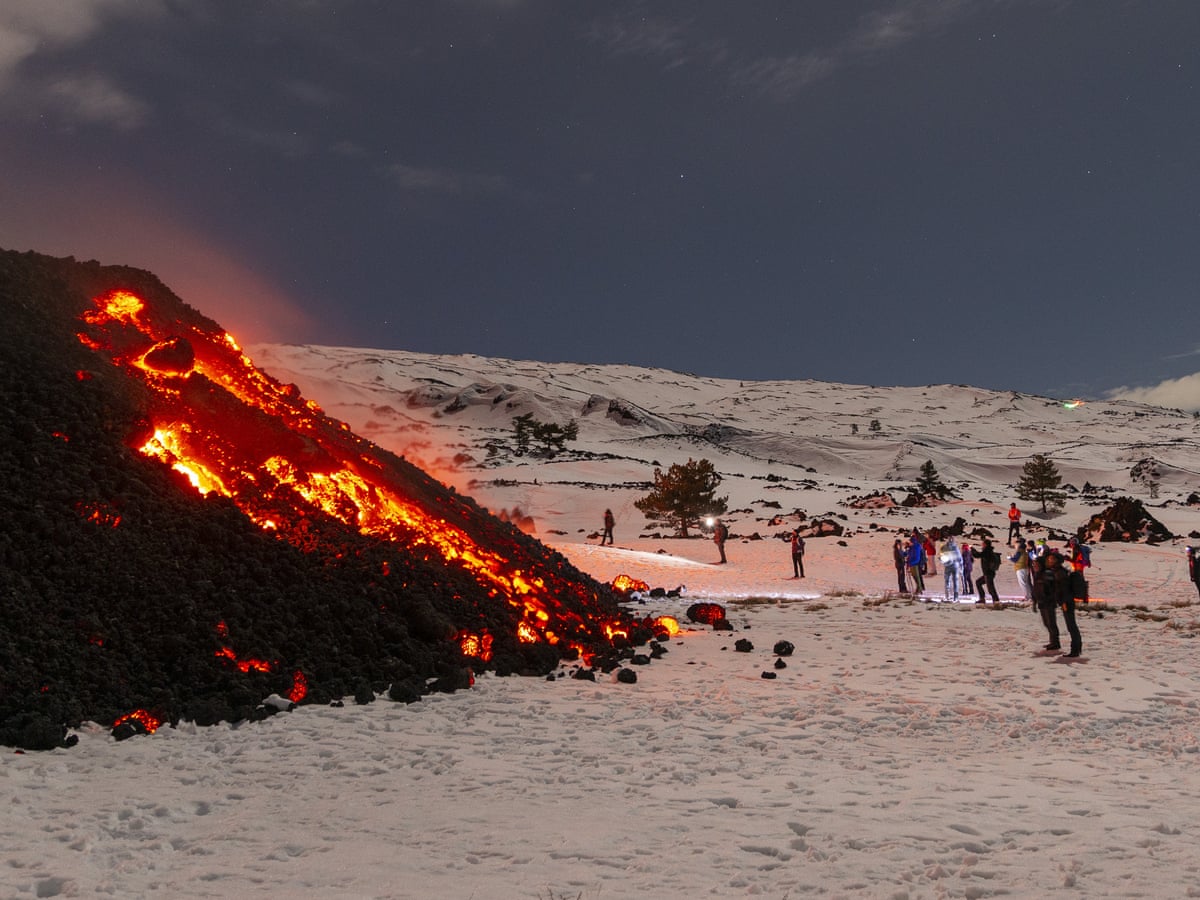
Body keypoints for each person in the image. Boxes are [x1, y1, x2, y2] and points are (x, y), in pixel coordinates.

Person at [1043, 550, 1081, 656]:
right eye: (1049, 559)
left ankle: (1075, 650)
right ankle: (1075, 649)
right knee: (1071, 625)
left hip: (1066, 602)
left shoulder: (1060, 572)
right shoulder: (1056, 571)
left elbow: (1063, 589)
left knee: (1071, 626)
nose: (1049, 561)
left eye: (1052, 559)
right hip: (1065, 601)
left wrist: (1062, 601)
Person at [1031, 554, 1058, 646]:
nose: (1034, 566)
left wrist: (1048, 598)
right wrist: (1034, 601)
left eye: (1036, 564)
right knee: (1046, 623)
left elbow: (1052, 588)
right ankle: (1052, 641)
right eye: (1033, 565)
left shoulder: (1047, 574)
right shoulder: (1037, 575)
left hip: (1048, 602)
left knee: (1051, 623)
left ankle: (1055, 642)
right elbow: (1035, 589)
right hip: (1041, 602)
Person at [973, 537, 1001, 603]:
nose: (982, 545)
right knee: (978, 582)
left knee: (991, 588)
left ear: (985, 544)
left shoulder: (987, 551)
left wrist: (972, 549)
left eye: (983, 544)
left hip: (989, 573)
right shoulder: (988, 551)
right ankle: (982, 598)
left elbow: (977, 555)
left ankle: (996, 601)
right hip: (988, 573)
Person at [1009, 539, 1033, 605]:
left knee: (1022, 583)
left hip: (1020, 568)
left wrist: (1009, 558)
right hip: (1026, 568)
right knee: (1026, 583)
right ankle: (1030, 596)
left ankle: (1027, 596)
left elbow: (1015, 560)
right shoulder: (1026, 553)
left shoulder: (1019, 552)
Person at [939, 536, 962, 601]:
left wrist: (943, 561)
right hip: (955, 566)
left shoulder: (944, 548)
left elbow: (941, 557)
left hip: (947, 566)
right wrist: (961, 566)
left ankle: (947, 596)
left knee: (947, 581)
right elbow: (959, 558)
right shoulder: (955, 547)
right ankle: (955, 597)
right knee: (955, 582)